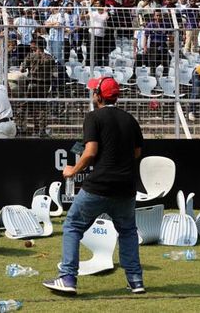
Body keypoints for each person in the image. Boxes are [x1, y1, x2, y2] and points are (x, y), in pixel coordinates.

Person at [43, 77, 144, 295]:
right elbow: (136, 153)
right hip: (126, 187)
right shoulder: (130, 119)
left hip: (99, 185)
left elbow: (90, 152)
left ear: (98, 95)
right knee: (127, 232)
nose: (92, 94)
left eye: (93, 91)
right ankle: (135, 281)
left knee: (72, 226)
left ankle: (68, 277)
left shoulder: (93, 117)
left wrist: (72, 171)